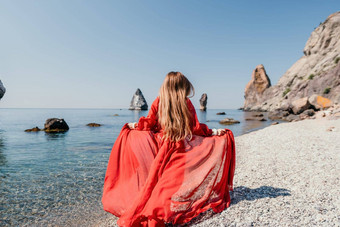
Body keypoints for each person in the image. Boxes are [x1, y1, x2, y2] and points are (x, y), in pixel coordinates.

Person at [102, 72, 235, 227]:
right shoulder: (186, 103)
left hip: (161, 145)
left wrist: (135, 126)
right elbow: (195, 128)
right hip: (181, 146)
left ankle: (152, 209)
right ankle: (162, 210)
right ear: (182, 88)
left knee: (154, 179)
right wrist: (212, 132)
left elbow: (150, 123)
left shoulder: (159, 101)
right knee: (171, 181)